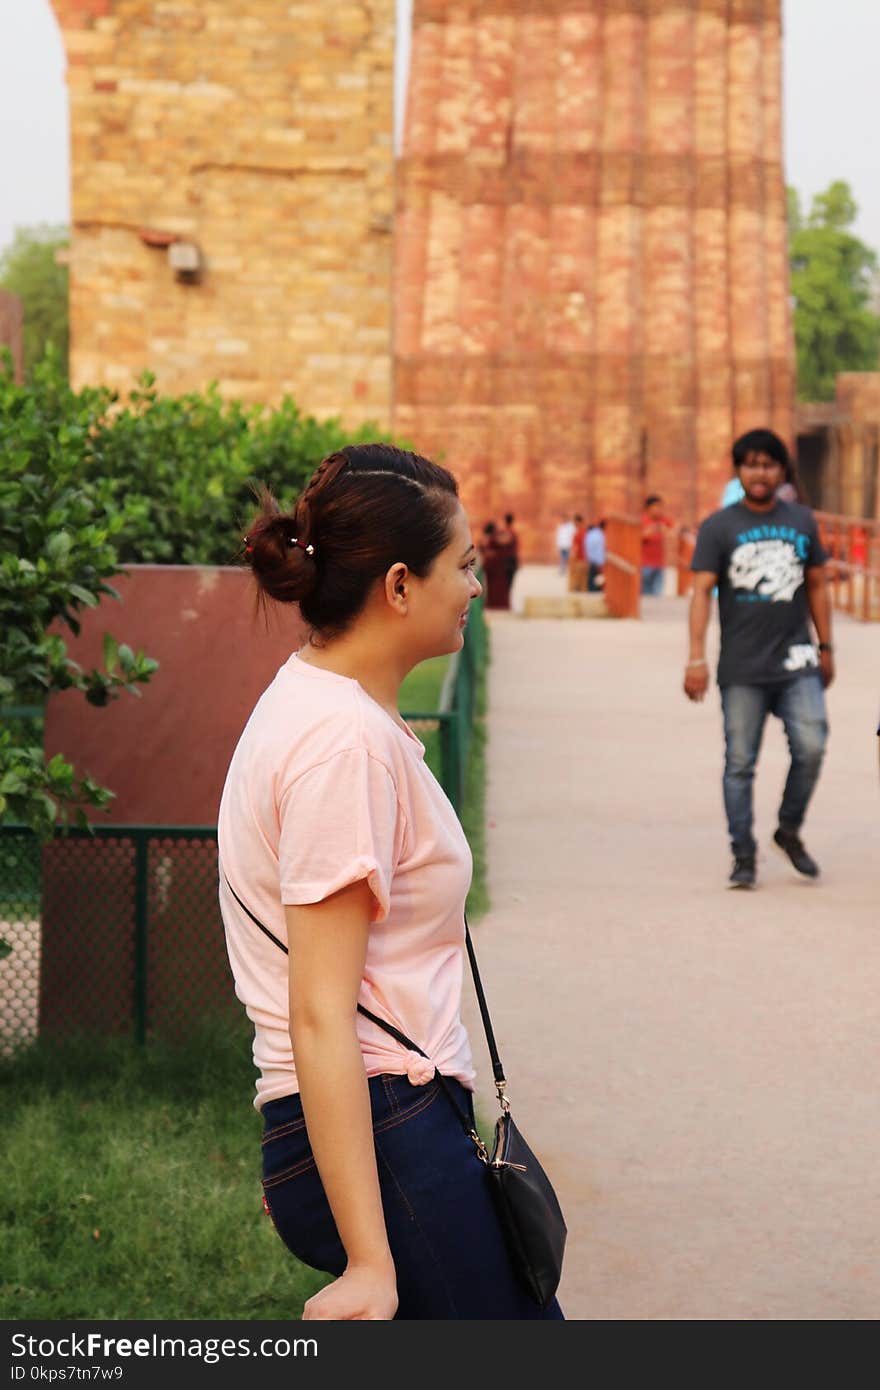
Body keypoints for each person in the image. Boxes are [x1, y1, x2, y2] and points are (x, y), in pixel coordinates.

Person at [217, 443, 564, 1320]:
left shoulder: (337, 711)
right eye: (467, 567)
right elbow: (318, 1010)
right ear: (401, 586)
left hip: (395, 1119)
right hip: (380, 1126)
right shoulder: (342, 745)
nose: (478, 589)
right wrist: (371, 1262)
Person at [684, 428, 833, 890]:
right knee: (740, 763)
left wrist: (827, 646)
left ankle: (787, 830)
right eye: (750, 464)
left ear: (782, 470)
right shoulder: (719, 526)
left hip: (797, 659)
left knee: (811, 745)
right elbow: (701, 592)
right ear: (739, 470)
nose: (759, 472)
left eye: (768, 464)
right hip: (742, 665)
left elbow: (817, 585)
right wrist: (695, 659)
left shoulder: (802, 521)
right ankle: (743, 855)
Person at [640, 495, 673, 595]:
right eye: (656, 506)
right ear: (648, 508)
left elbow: (674, 532)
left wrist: (665, 530)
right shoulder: (642, 521)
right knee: (645, 595)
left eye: (660, 507)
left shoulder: (664, 521)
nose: (658, 510)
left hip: (659, 563)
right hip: (644, 564)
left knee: (657, 595)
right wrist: (650, 530)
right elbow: (635, 538)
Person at [479, 519, 511, 609]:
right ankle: (496, 604)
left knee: (494, 586)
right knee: (494, 586)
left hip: (494, 565)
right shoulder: (493, 538)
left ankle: (494, 604)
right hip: (494, 566)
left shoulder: (488, 538)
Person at [568, 513, 588, 593]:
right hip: (586, 560)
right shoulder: (586, 532)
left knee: (574, 583)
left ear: (577, 522)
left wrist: (571, 561)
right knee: (584, 583)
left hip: (578, 560)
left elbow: (575, 549)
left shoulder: (578, 534)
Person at [585, 519, 606, 591]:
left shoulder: (591, 534)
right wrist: (601, 564)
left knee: (591, 581)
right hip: (597, 562)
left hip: (590, 560)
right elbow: (600, 551)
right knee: (597, 583)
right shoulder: (601, 536)